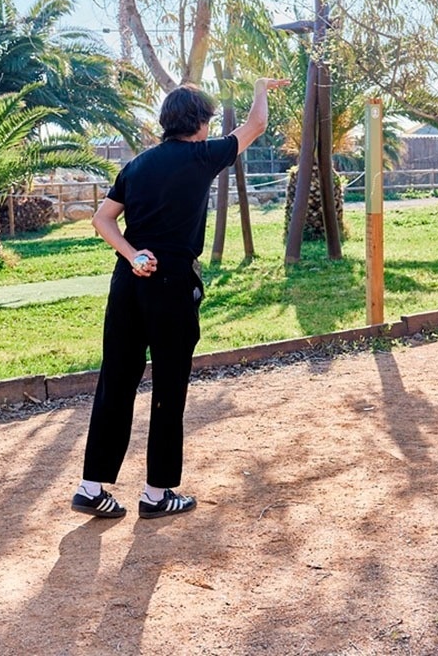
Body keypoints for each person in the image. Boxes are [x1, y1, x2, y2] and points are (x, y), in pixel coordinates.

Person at [73, 76, 288, 520]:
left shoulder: (137, 165)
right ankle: (157, 493)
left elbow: (102, 220)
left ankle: (91, 487)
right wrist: (261, 87)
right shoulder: (202, 156)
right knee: (169, 387)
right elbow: (256, 124)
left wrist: (134, 256)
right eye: (208, 120)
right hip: (171, 283)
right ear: (200, 124)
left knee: (117, 379)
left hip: (129, 279)